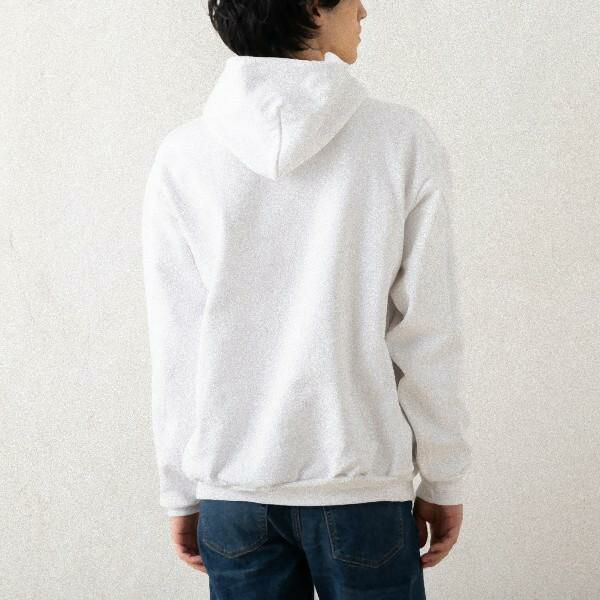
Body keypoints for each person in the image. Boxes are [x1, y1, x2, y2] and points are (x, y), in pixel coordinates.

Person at [141, 0, 473, 597]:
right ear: (312, 7)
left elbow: (177, 342)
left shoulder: (184, 156)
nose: (365, 9)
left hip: (234, 493)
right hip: (361, 488)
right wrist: (443, 475)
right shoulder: (400, 140)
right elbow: (427, 329)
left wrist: (180, 491)